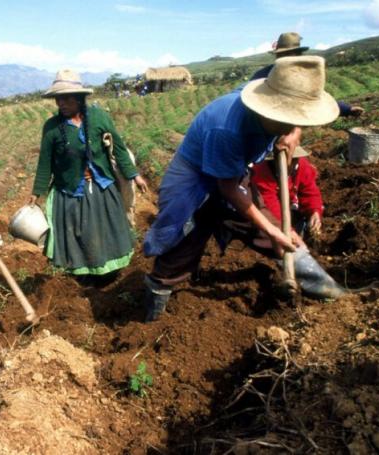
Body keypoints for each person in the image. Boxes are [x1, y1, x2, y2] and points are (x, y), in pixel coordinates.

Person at [142, 56, 343, 322]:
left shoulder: (278, 114)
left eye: (297, 120)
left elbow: (290, 122)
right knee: (185, 236)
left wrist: (293, 131)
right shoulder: (226, 126)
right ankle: (152, 315)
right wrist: (271, 230)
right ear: (268, 109)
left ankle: (327, 290)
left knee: (278, 230)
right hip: (194, 174)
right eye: (288, 120)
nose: (292, 126)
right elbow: (226, 188)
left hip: (234, 170)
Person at [29, 69, 147, 280]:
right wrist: (36, 192)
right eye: (58, 99)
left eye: (66, 98)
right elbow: (44, 163)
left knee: (107, 229)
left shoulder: (99, 117)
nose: (61, 103)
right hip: (71, 190)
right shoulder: (52, 128)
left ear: (80, 97)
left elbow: (119, 148)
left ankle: (111, 271)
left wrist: (134, 175)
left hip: (102, 187)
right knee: (80, 234)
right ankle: (82, 274)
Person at [251, 32, 364, 118]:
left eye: (290, 55)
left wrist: (347, 109)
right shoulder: (262, 75)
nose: (286, 59)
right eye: (282, 55)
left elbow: (316, 96)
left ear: (298, 55)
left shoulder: (303, 77)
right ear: (277, 56)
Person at [251, 146, 323, 238]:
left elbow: (310, 192)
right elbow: (270, 207)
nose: (293, 163)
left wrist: (315, 211)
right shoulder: (261, 173)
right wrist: (289, 233)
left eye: (295, 160)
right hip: (266, 214)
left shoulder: (302, 165)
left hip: (289, 207)